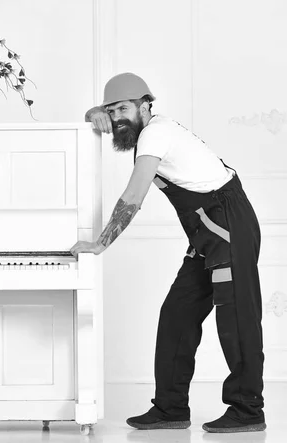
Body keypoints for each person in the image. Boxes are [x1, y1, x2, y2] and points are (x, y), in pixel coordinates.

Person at [70, 73, 266, 433]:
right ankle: (170, 407)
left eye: (124, 108)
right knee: (177, 313)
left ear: (146, 105)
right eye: (112, 111)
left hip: (228, 224)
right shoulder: (143, 130)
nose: (117, 118)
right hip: (206, 232)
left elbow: (133, 196)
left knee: (237, 318)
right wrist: (93, 112)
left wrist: (99, 244)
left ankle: (248, 408)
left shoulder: (155, 133)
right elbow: (111, 118)